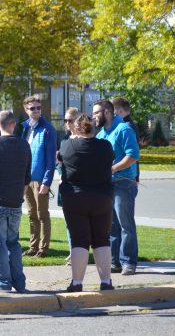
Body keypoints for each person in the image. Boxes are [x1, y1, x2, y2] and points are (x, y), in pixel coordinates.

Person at [58, 114, 116, 292]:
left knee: (79, 240)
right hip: (102, 197)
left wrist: (74, 138)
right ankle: (106, 281)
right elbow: (110, 160)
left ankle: (77, 283)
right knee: (102, 239)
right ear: (94, 128)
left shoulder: (67, 145)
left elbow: (61, 159)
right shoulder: (105, 146)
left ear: (75, 128)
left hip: (75, 198)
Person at [0, 111, 31, 293]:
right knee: (13, 242)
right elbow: (27, 176)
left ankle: (3, 282)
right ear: (14, 124)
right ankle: (19, 282)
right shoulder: (24, 145)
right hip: (15, 201)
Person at [93, 99, 140, 276]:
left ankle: (129, 262)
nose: (93, 116)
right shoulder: (101, 134)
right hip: (107, 185)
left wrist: (112, 168)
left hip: (123, 183)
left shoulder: (124, 129)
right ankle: (115, 262)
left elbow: (133, 155)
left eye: (96, 112)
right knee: (110, 225)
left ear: (107, 112)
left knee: (125, 224)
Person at [21, 95, 56, 258]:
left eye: (38, 108)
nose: (36, 111)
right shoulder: (24, 128)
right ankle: (33, 246)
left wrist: (47, 182)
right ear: (25, 110)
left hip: (40, 179)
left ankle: (43, 248)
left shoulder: (48, 129)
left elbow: (51, 159)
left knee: (42, 215)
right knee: (31, 214)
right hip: (26, 179)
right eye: (32, 108)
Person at [58, 107, 79, 265]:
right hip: (66, 186)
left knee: (81, 222)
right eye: (65, 120)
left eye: (70, 120)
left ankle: (80, 252)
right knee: (69, 221)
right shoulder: (65, 140)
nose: (67, 123)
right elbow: (60, 163)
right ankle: (73, 252)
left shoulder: (84, 139)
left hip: (80, 187)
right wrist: (60, 173)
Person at [111, 97, 140, 182]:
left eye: (112, 111)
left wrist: (136, 177)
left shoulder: (126, 127)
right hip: (126, 176)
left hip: (124, 177)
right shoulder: (129, 124)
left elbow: (133, 154)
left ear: (120, 111)